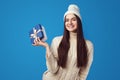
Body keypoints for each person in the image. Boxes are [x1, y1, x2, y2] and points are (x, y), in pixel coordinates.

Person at [33, 4, 94, 80]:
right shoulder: (57, 41)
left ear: (79, 22)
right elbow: (53, 69)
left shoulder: (88, 45)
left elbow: (84, 73)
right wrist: (47, 47)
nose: (70, 23)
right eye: (67, 20)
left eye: (73, 19)